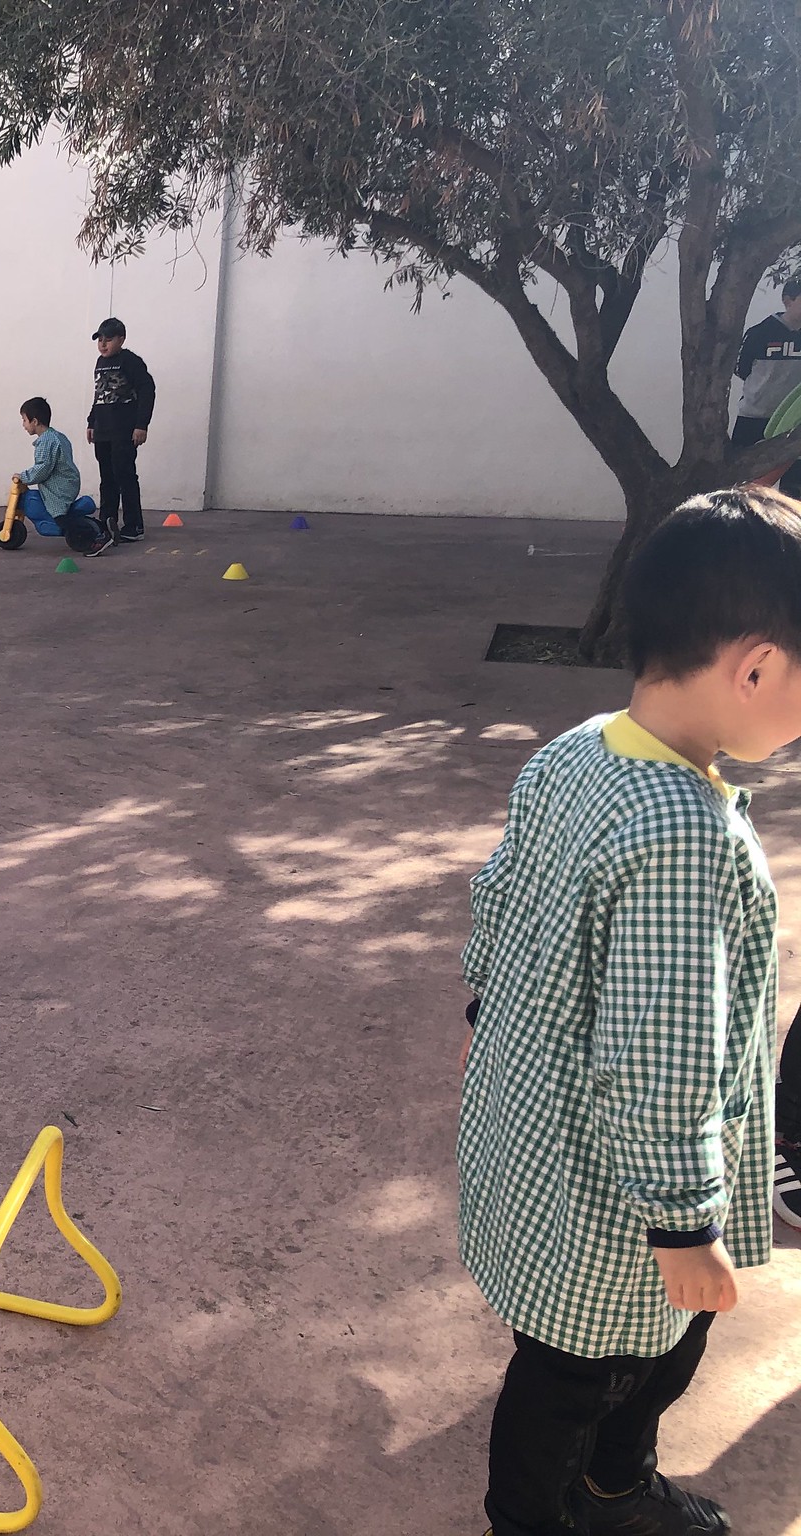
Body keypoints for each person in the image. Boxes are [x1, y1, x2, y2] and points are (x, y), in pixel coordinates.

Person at [460, 486, 801, 1536]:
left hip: (535, 1132)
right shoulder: (684, 838)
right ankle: (529, 1518)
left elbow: (495, 896)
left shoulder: (572, 751)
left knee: (662, 1348)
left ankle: (613, 1484)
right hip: (613, 1202)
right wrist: (682, 1222)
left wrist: (493, 1006)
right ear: (753, 668)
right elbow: (662, 1057)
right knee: (572, 1370)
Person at [87, 317, 155, 543]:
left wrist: (141, 425)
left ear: (121, 339)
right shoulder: (100, 362)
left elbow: (147, 390)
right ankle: (107, 521)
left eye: (108, 340)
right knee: (107, 478)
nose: (103, 345)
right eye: (100, 340)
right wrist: (91, 422)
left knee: (124, 475)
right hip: (103, 430)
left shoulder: (130, 362)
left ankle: (134, 526)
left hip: (123, 430)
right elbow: (100, 395)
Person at [732, 276, 801, 498]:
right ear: (787, 301)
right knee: (744, 488)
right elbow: (741, 370)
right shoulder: (759, 333)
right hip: (755, 419)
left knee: (794, 493)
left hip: (794, 425)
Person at [15, 397, 105, 556]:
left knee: (59, 518)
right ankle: (101, 527)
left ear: (34, 421)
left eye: (24, 420)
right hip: (67, 481)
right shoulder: (57, 436)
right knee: (66, 514)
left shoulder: (46, 442)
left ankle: (93, 540)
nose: (23, 425)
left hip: (60, 486)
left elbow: (43, 468)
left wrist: (24, 476)